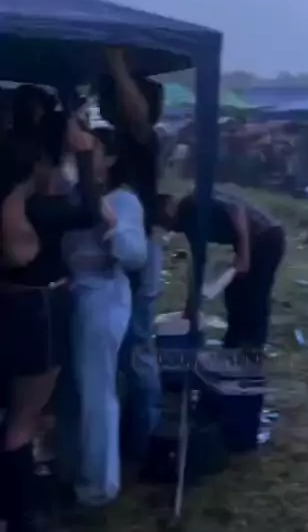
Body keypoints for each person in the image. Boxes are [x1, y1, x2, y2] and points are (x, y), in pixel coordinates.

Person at [0, 114, 108, 532]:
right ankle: (22, 515)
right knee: (24, 419)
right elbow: (91, 212)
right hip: (37, 314)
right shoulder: (38, 210)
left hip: (10, 308)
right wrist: (84, 157)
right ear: (32, 169)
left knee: (13, 411)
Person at [60, 128, 147, 512]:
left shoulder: (123, 200)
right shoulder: (68, 193)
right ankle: (70, 467)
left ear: (109, 159)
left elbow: (134, 254)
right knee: (71, 389)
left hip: (102, 299)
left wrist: (107, 219)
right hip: (68, 297)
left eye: (91, 149)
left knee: (97, 389)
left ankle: (99, 484)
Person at [98, 48, 163, 461]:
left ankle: (144, 440)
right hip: (127, 248)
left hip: (140, 251)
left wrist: (117, 65)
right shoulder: (118, 141)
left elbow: (137, 113)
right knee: (122, 345)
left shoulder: (144, 137)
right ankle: (130, 431)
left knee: (137, 345)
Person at [155, 191, 285, 354]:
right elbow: (197, 262)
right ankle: (233, 346)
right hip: (253, 241)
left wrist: (243, 255)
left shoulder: (192, 204)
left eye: (162, 220)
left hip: (267, 236)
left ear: (168, 208)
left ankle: (253, 351)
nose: (167, 228)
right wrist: (191, 306)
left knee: (255, 296)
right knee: (234, 293)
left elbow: (237, 209)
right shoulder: (187, 224)